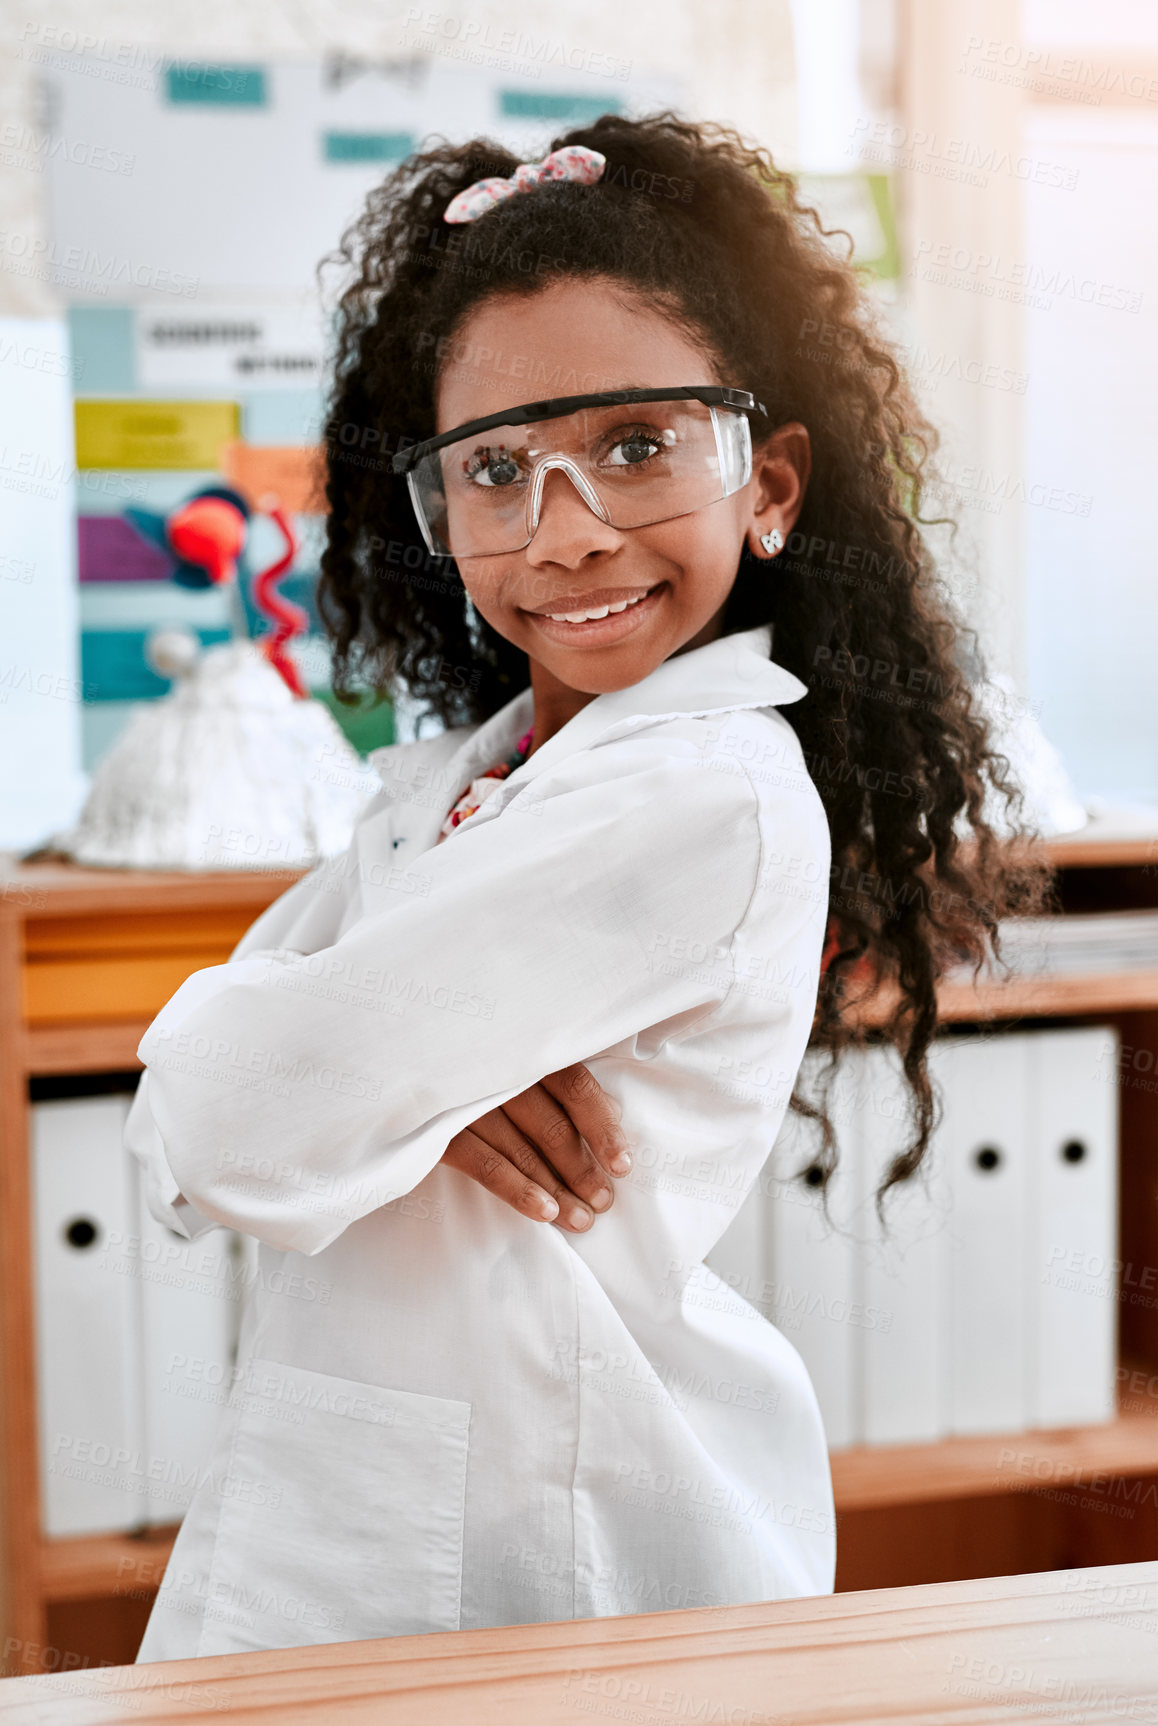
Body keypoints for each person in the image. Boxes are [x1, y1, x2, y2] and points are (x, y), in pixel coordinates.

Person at [128, 113, 1045, 1661]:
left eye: (634, 444)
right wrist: (400, 1072)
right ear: (439, 514)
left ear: (766, 482)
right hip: (354, 1509)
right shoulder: (469, 773)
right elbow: (203, 1117)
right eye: (496, 469)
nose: (566, 529)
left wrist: (358, 1065)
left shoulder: (694, 789)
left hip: (536, 1548)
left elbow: (219, 1119)